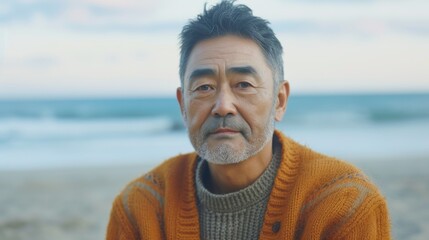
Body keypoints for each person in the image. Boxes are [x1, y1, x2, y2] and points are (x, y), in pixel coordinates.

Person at [106, 1, 391, 239]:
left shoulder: (344, 203)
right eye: (204, 87)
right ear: (183, 104)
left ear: (279, 101)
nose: (222, 106)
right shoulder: (142, 207)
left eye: (243, 84)